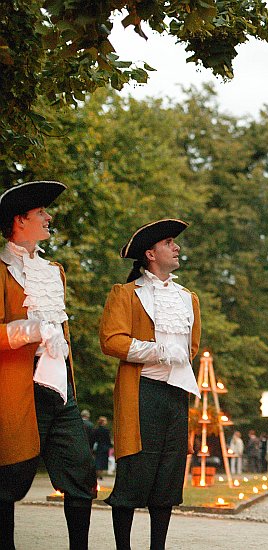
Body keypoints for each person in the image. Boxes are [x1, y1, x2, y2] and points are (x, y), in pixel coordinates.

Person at [0, 180, 97, 549]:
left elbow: (61, 329)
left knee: (81, 475)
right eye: (42, 212)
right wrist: (30, 330)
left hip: (60, 388)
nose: (49, 216)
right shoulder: (0, 269)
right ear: (20, 220)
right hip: (17, 390)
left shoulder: (54, 271)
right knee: (7, 479)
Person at [99, 218, 201, 549]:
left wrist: (174, 355)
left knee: (169, 477)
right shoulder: (125, 294)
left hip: (176, 396)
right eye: (169, 242)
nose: (176, 247)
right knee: (133, 475)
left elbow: (192, 347)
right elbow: (112, 341)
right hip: (141, 392)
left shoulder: (189, 299)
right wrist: (157, 350)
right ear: (150, 254)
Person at [92, 417, 113, 482]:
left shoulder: (96, 430)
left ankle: (97, 474)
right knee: (103, 462)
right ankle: (100, 475)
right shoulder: (106, 431)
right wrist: (110, 446)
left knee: (98, 460)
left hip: (98, 447)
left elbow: (93, 439)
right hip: (105, 448)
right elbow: (108, 440)